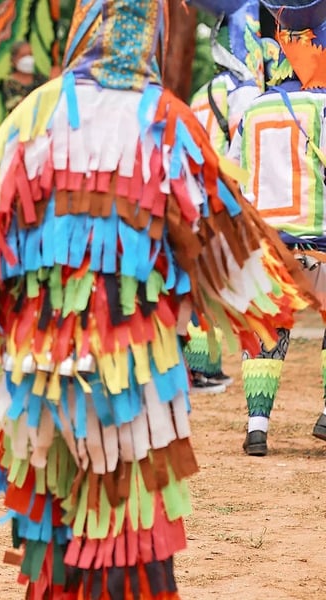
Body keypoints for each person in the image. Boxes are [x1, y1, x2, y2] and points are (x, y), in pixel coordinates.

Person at [0, 0, 316, 595]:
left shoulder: (31, 116)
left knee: (55, 530)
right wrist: (267, 299)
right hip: (133, 370)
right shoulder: (168, 121)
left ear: (81, 31)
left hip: (39, 370)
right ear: (151, 35)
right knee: (128, 528)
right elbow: (218, 241)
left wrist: (6, 328)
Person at [228, 0, 326, 456]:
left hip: (269, 249)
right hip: (320, 249)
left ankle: (257, 427)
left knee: (265, 330)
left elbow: (232, 175)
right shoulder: (322, 105)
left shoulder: (253, 111)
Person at [184, 1, 269, 394]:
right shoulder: (245, 91)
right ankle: (202, 367)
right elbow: (245, 143)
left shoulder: (203, 92)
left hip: (192, 192)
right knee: (215, 282)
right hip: (221, 193)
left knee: (199, 280)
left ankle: (201, 366)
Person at [2, 41, 47, 112]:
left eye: (30, 54)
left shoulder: (40, 78)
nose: (28, 59)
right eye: (23, 55)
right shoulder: (9, 83)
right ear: (13, 59)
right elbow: (15, 107)